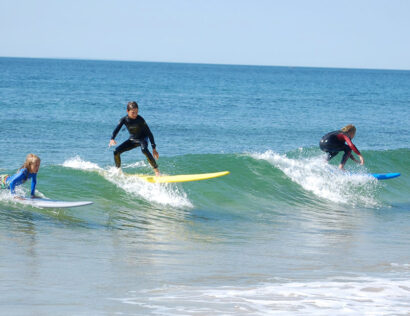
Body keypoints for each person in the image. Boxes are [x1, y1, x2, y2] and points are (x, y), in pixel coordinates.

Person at [109, 101, 160, 176]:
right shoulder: (124, 120)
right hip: (132, 139)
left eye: (136, 112)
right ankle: (118, 170)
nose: (135, 114)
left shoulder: (140, 119)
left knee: (144, 149)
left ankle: (156, 171)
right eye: (133, 112)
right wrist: (112, 139)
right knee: (116, 151)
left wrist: (154, 148)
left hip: (143, 138)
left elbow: (149, 133)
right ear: (127, 111)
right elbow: (117, 129)